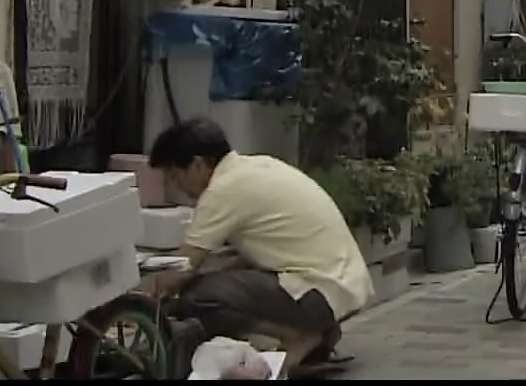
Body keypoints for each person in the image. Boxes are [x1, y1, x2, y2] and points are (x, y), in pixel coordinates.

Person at [146, 118, 373, 369]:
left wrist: (137, 292)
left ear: (198, 164)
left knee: (199, 296)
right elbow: (263, 249)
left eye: (174, 176)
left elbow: (182, 267)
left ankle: (301, 336)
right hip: (345, 285)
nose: (174, 186)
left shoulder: (222, 190)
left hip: (320, 290)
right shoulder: (256, 166)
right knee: (219, 277)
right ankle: (320, 333)